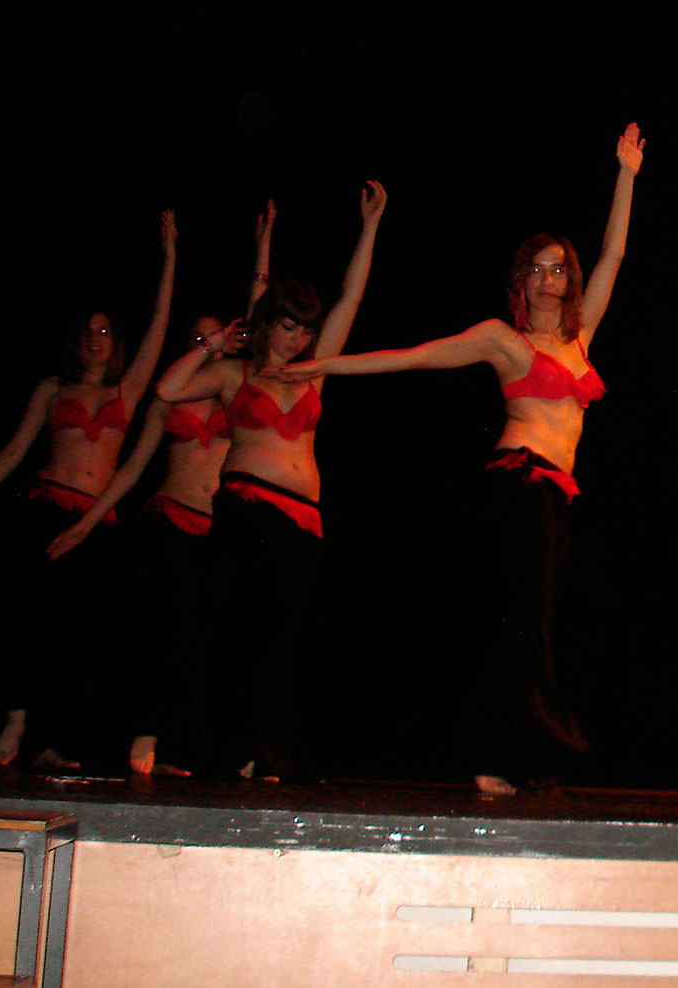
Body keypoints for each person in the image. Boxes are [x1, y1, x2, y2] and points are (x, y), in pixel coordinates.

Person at [267, 130, 643, 794]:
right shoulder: (504, 340)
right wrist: (322, 366)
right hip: (520, 480)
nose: (550, 279)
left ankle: (501, 753)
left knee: (532, 618)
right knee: (531, 619)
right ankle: (528, 751)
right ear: (521, 281)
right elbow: (413, 356)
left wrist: (626, 175)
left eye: (559, 269)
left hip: (555, 490)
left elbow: (614, 252)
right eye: (538, 269)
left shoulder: (581, 336)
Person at [155, 182, 387, 780]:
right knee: (245, 625)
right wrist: (212, 345)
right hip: (248, 507)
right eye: (288, 327)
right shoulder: (234, 374)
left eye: (305, 331)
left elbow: (351, 299)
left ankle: (267, 749)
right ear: (268, 325)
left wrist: (369, 227)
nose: (299, 340)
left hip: (303, 517)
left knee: (283, 635)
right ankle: (238, 747)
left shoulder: (313, 373)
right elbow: (168, 389)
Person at [47, 202, 278, 776]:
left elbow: (260, 318)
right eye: (200, 338)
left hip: (218, 528)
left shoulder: (237, 389)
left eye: (217, 335)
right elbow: (129, 470)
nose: (212, 342)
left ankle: (191, 746)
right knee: (167, 631)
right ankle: (145, 735)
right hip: (169, 520)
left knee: (208, 638)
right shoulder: (168, 397)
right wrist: (85, 523)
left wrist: (264, 246)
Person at [0, 211, 178, 767]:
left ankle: (54, 740)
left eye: (105, 332)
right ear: (76, 341)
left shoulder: (127, 390)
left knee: (85, 631)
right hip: (46, 508)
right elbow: (14, 450)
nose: (96, 340)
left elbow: (158, 329)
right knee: (31, 618)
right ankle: (17, 718)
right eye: (89, 332)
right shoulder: (52, 388)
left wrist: (169, 258)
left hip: (97, 521)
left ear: (115, 343)